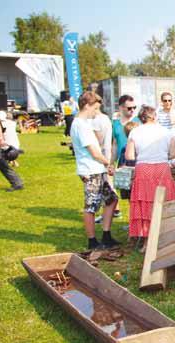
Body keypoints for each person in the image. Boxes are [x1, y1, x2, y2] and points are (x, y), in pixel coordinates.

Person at [69, 91, 119, 250]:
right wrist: (108, 164)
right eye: (95, 109)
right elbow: (94, 152)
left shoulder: (83, 124)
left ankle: (106, 235)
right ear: (87, 106)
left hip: (97, 169)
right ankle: (92, 241)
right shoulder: (80, 125)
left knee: (111, 199)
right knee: (91, 206)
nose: (96, 113)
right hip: (91, 171)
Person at [125, 105, 175, 250]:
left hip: (143, 169)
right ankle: (164, 237)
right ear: (154, 116)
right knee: (164, 202)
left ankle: (146, 240)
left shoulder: (135, 132)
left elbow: (129, 156)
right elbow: (173, 154)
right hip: (161, 168)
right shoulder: (166, 132)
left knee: (145, 204)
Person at [112, 95, 138, 168]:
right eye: (129, 108)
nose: (132, 110)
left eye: (134, 107)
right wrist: (111, 163)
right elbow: (115, 144)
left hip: (136, 162)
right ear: (121, 107)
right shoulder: (115, 124)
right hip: (122, 162)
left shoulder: (138, 122)